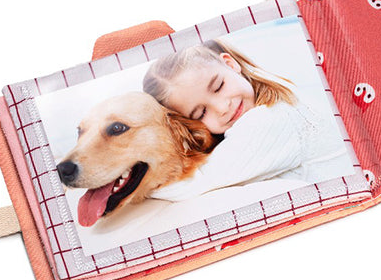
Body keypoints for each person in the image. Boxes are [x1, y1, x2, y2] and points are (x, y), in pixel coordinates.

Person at [142, 39, 351, 199]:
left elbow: (195, 183)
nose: (222, 108)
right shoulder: (273, 93)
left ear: (230, 63)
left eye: (218, 87)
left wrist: (142, 182)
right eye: (201, 114)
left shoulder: (268, 119)